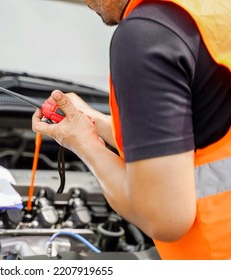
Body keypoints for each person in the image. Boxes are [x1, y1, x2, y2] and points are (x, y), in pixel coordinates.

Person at [32, 0, 231, 259]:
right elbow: (208, 126)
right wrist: (95, 122)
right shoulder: (212, 10)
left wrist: (83, 144)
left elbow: (165, 218)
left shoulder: (145, 35)